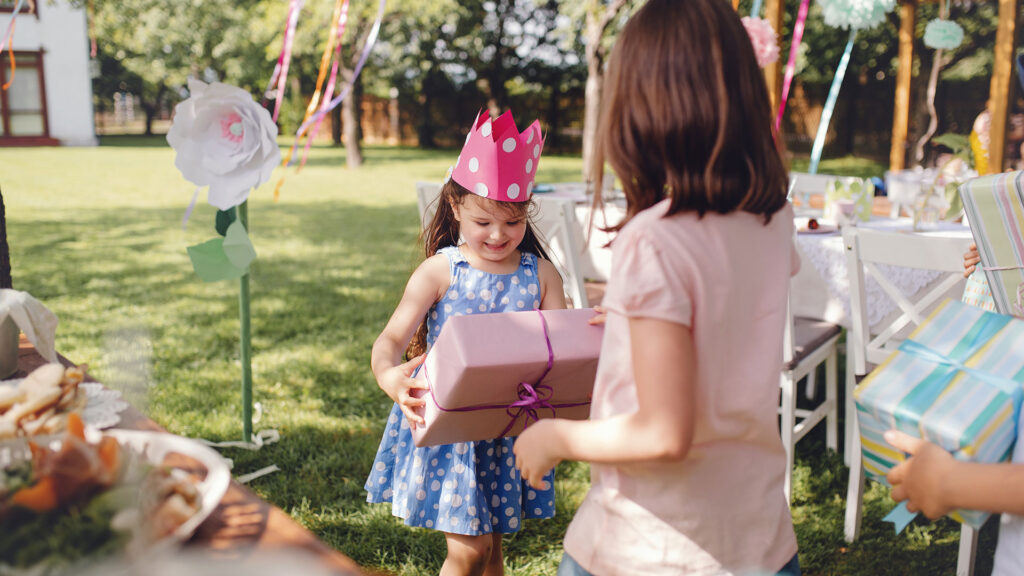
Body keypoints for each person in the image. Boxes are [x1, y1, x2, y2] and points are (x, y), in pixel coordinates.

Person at [513, 0, 800, 574]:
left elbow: (664, 432)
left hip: (653, 546)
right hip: (760, 540)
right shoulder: (773, 216)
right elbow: (722, 312)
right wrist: (631, 319)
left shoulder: (656, 239)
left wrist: (554, 438)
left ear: (641, 106)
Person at [364, 109, 566, 576]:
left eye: (513, 223)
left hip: (506, 426)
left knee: (493, 551)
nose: (499, 235)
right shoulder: (441, 271)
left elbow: (561, 348)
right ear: (455, 209)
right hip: (452, 430)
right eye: (483, 222)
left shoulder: (541, 275)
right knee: (469, 552)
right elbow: (390, 339)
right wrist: (388, 375)